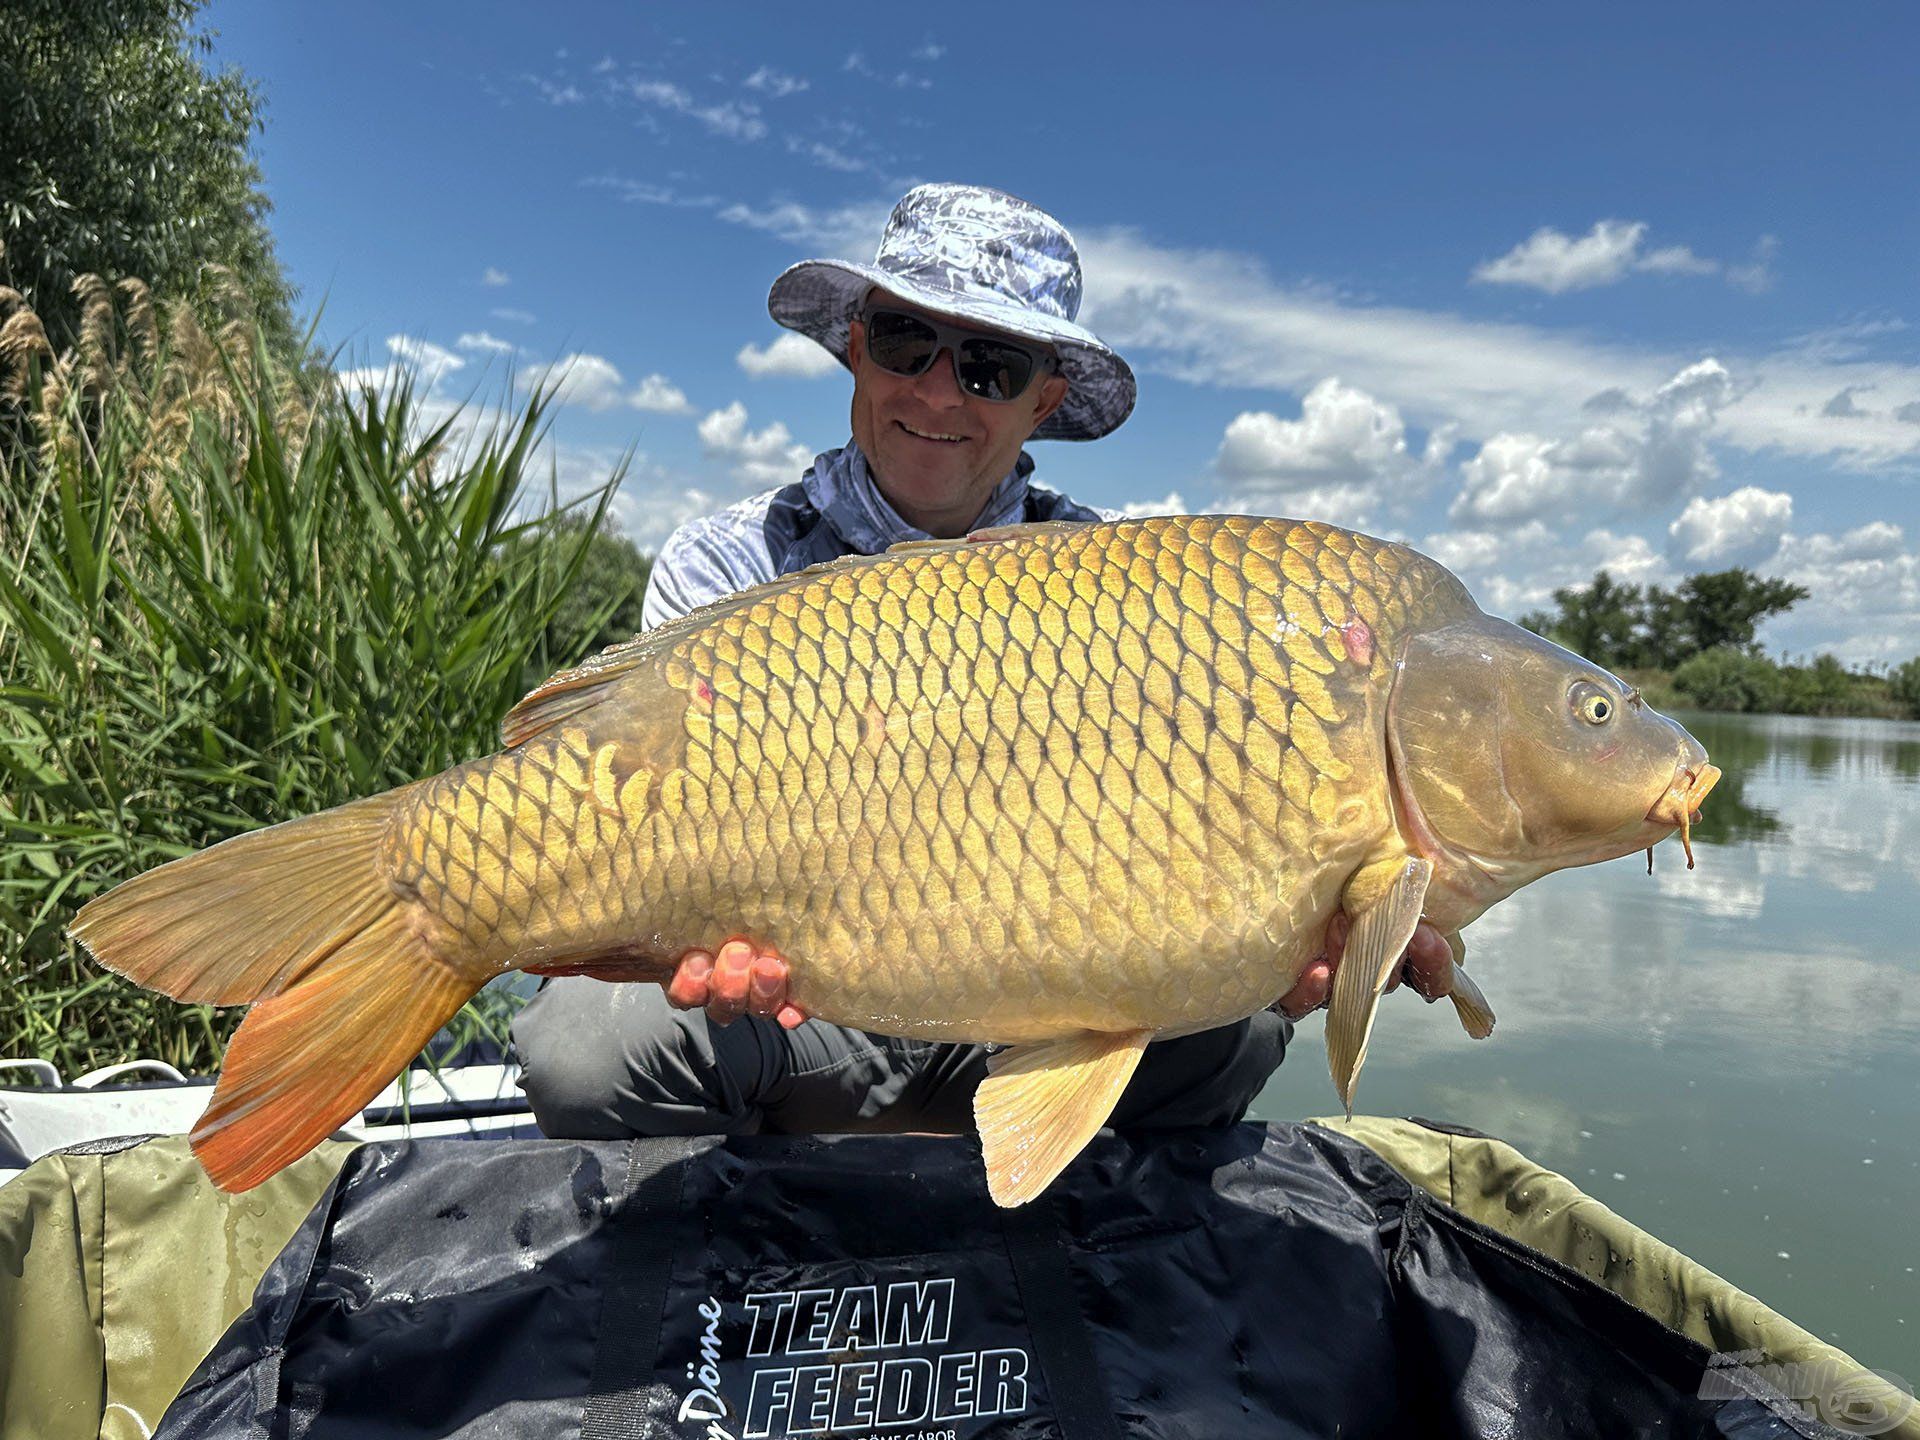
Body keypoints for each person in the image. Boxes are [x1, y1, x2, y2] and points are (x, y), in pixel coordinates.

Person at [511, 183, 1454, 1142]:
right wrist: (694, 942)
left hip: (1039, 1001)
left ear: (1044, 400)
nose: (936, 392)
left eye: (991, 367)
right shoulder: (729, 564)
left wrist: (1292, 949)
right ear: (853, 347)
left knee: (1240, 1031)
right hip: (804, 1019)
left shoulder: (1124, 586)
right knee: (582, 1049)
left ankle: (1038, 1237)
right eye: (904, 343)